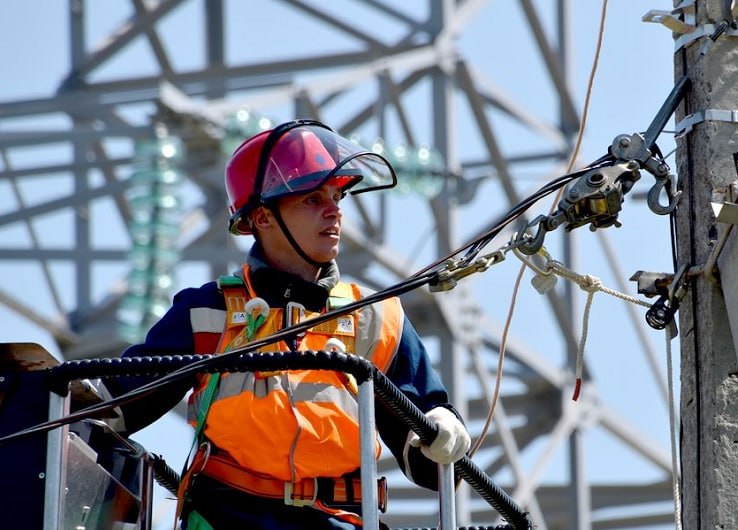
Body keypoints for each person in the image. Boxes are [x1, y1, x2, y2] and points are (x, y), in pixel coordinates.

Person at [104, 119, 471, 530]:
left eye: (336, 196)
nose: (335, 210)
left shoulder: (376, 318)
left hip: (339, 522)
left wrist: (442, 428)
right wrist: (51, 396)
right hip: (228, 520)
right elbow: (117, 402)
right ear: (262, 218)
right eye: (313, 199)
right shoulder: (210, 311)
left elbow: (427, 456)